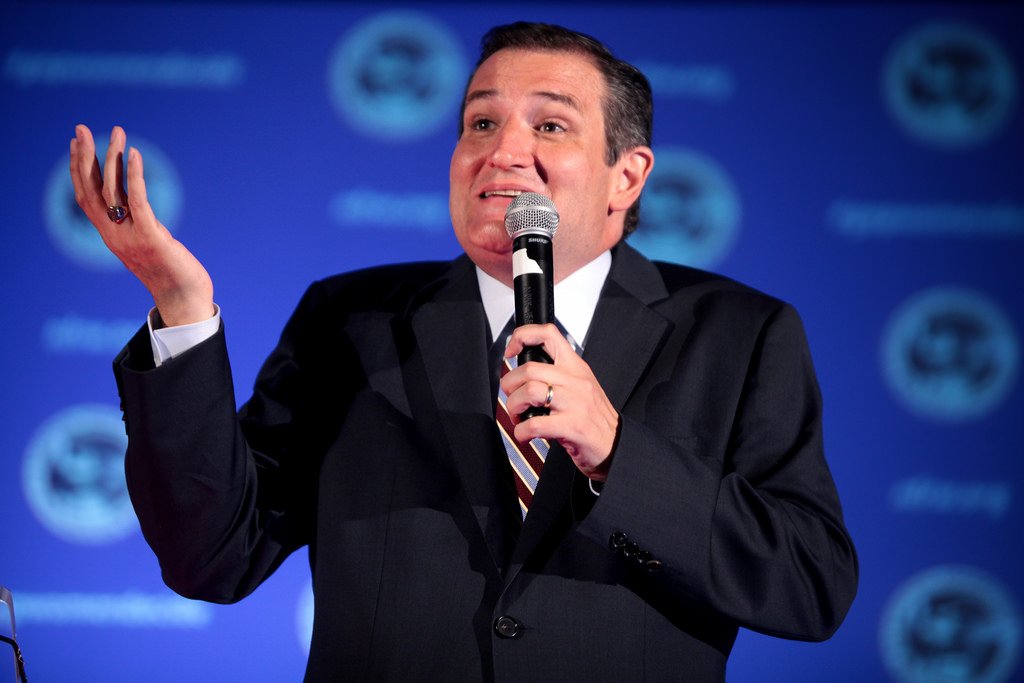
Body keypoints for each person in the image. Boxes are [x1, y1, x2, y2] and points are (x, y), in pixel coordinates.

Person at [70, 22, 857, 681]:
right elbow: (215, 555)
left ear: (627, 176)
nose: (503, 150)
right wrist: (181, 311)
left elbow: (810, 581)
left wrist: (619, 453)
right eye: (482, 123)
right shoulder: (348, 320)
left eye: (549, 126)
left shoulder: (741, 334)